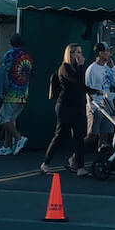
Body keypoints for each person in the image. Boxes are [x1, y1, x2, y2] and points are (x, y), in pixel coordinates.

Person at [41, 43, 92, 176]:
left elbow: (82, 87)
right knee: (60, 135)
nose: (81, 55)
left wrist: (95, 91)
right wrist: (81, 66)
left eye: (81, 52)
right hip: (65, 106)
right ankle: (45, 163)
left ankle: (80, 167)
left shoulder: (76, 68)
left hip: (77, 106)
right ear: (71, 54)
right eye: (78, 52)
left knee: (79, 136)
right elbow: (77, 82)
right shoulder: (64, 68)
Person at [0, 33, 33, 156]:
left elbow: (3, 71)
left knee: (2, 118)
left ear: (11, 43)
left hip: (11, 93)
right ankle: (7, 146)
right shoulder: (28, 56)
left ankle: (18, 137)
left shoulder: (9, 55)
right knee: (10, 119)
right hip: (23, 92)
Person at [85, 42, 115, 150]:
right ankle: (76, 156)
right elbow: (88, 89)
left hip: (107, 103)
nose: (109, 54)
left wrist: (113, 68)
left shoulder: (107, 67)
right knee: (92, 135)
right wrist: (92, 107)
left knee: (105, 134)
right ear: (100, 53)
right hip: (96, 105)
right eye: (107, 51)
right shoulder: (92, 69)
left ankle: (102, 159)